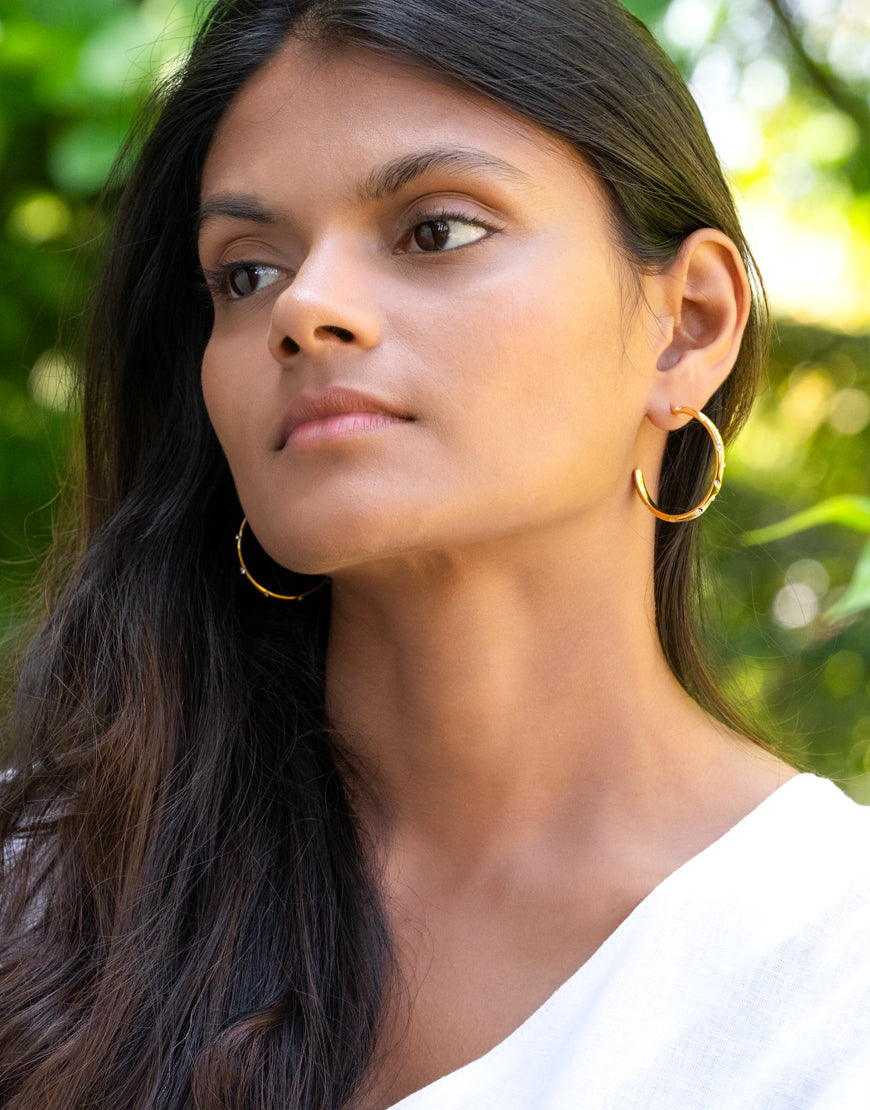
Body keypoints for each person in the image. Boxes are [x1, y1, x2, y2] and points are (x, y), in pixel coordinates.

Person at [1, 0, 868, 1107]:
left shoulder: (835, 970)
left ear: (688, 323)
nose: (306, 308)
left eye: (435, 230)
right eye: (247, 272)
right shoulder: (37, 899)